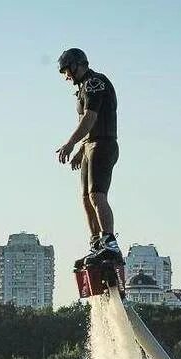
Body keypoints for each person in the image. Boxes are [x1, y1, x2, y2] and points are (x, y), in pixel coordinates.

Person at [54, 47, 123, 268]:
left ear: (78, 65)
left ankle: (109, 242)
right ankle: (96, 243)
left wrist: (70, 143)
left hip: (103, 144)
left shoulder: (95, 83)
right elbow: (89, 124)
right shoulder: (82, 87)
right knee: (85, 197)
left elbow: (91, 118)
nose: (67, 77)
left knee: (96, 194)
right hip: (90, 145)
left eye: (67, 71)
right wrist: (81, 150)